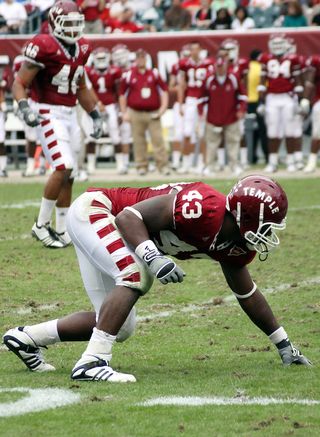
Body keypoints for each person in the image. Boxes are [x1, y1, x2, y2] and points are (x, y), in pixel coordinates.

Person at [3, 176, 311, 381]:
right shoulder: (203, 207)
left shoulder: (235, 244)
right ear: (246, 216)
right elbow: (128, 217)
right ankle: (92, 363)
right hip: (98, 211)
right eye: (268, 225)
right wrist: (153, 256)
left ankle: (27, 338)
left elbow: (247, 293)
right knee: (137, 274)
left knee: (119, 325)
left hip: (110, 226)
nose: (269, 235)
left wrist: (283, 344)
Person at [12, 1, 102, 249]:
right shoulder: (44, 45)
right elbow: (19, 83)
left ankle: (62, 229)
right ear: (54, 24)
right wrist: (24, 107)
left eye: (77, 24)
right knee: (63, 166)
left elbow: (80, 86)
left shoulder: (83, 47)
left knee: (70, 174)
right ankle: (40, 225)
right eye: (68, 24)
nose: (73, 30)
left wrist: (94, 114)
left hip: (70, 112)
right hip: (46, 112)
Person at [119, 48, 170, 176]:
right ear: (135, 59)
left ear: (146, 59)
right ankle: (141, 166)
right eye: (138, 57)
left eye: (143, 57)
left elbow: (164, 91)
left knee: (158, 140)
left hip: (153, 111)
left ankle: (162, 166)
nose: (141, 60)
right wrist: (124, 112)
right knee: (138, 141)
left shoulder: (154, 73)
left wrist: (163, 108)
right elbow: (122, 95)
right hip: (135, 112)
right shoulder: (129, 74)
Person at [258, 34, 303, 173]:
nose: (277, 47)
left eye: (280, 44)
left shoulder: (293, 59)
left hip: (287, 97)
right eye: (275, 44)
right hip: (272, 98)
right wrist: (261, 102)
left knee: (290, 130)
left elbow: (298, 81)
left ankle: (290, 161)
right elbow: (262, 82)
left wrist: (300, 100)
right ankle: (273, 162)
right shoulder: (265, 59)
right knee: (272, 132)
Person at [204, 56, 246, 176]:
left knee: (233, 141)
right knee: (212, 143)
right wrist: (202, 112)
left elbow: (242, 95)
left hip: (231, 116)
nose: (220, 69)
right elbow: (202, 98)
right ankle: (209, 166)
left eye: (222, 66)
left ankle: (234, 165)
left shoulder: (233, 78)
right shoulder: (209, 79)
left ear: (226, 66)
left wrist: (241, 110)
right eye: (218, 67)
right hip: (213, 116)